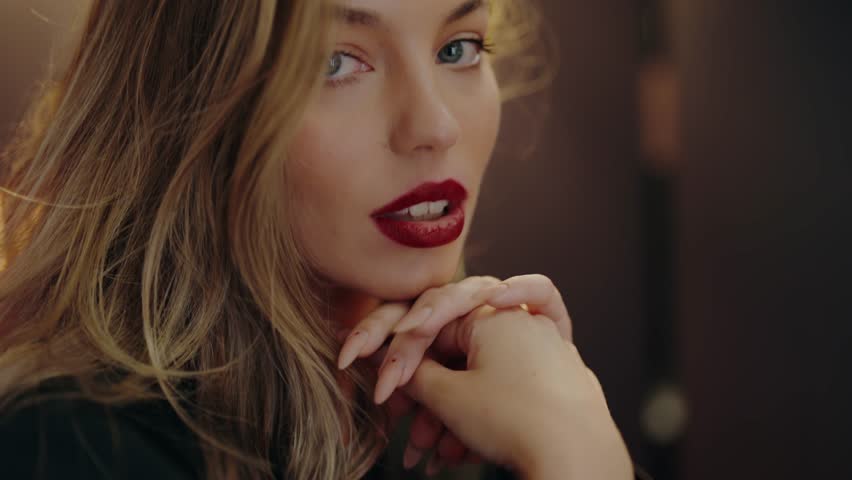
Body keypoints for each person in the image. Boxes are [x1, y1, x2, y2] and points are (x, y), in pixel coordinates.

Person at [0, 0, 641, 478]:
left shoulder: (480, 424)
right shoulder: (71, 443)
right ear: (188, 103)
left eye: (459, 49)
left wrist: (561, 424)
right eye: (336, 63)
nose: (435, 126)